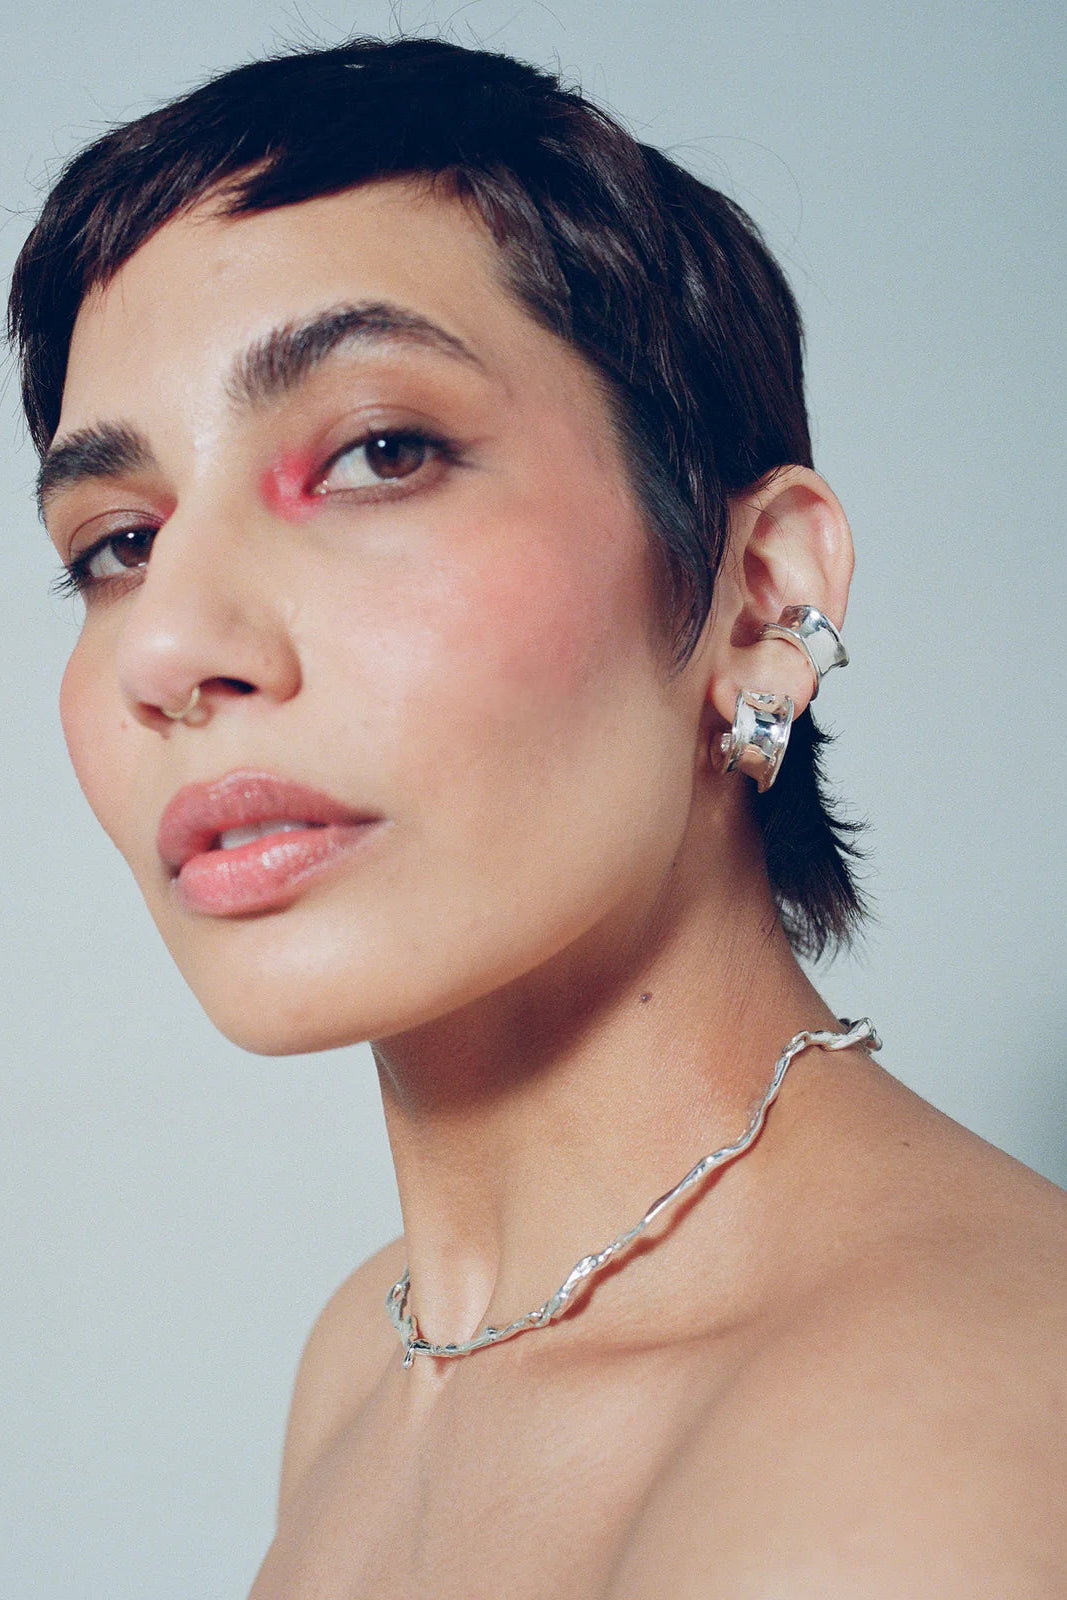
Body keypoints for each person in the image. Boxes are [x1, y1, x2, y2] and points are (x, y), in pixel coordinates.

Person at [10, 34, 1066, 1599]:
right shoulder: (374, 1360)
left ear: (761, 598)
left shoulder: (946, 1436)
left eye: (381, 452)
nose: (167, 644)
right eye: (117, 542)